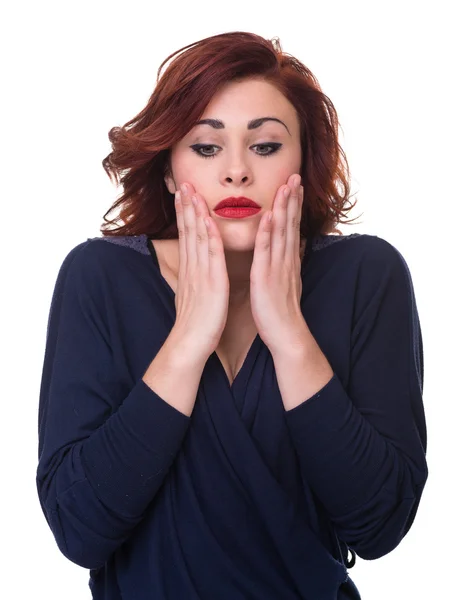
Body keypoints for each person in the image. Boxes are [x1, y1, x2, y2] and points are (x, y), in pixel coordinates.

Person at [36, 31, 428, 599]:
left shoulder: (368, 274)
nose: (237, 172)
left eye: (265, 146)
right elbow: (79, 529)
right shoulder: (98, 278)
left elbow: (380, 524)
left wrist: (291, 336)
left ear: (305, 161)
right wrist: (189, 337)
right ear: (169, 171)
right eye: (206, 147)